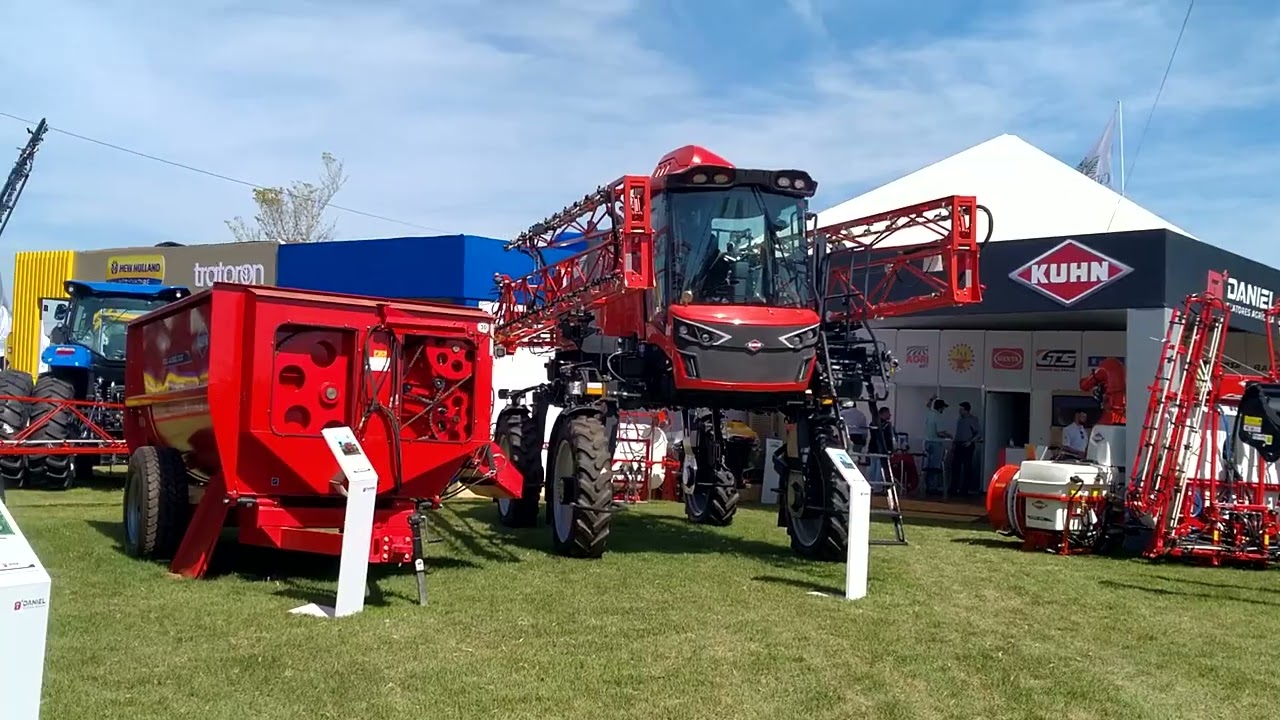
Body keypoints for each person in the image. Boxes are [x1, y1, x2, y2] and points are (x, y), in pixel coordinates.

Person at [950, 401, 983, 496]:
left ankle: (965, 489)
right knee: (955, 466)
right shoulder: (960, 420)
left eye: (961, 409)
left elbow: (979, 433)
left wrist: (970, 441)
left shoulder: (972, 420)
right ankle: (954, 488)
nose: (959, 411)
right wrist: (954, 444)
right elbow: (957, 433)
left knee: (967, 466)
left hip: (967, 445)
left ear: (966, 410)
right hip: (958, 444)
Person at [922, 398, 951, 495]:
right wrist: (949, 436)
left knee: (928, 465)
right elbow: (940, 432)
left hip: (927, 442)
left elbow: (927, 406)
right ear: (941, 408)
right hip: (936, 443)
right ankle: (932, 487)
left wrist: (931, 399)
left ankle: (926, 485)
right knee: (935, 466)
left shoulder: (930, 414)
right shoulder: (938, 416)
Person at [865, 406, 894, 489]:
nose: (890, 415)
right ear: (883, 413)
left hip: (872, 447)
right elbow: (888, 438)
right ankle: (878, 487)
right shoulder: (886, 425)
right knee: (880, 468)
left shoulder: (872, 423)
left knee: (871, 468)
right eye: (888, 413)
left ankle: (870, 485)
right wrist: (890, 449)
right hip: (882, 448)